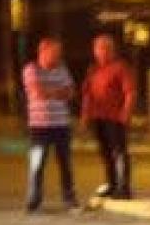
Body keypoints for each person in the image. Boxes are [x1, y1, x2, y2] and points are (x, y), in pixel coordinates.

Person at [22, 37, 79, 214]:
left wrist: (51, 91)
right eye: (54, 53)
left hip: (61, 125)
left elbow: (71, 93)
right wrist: (58, 92)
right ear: (43, 52)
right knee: (37, 164)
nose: (58, 56)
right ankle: (34, 201)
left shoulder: (62, 69)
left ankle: (69, 199)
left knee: (65, 164)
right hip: (39, 127)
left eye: (58, 53)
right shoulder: (31, 69)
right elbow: (38, 92)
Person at [81, 34, 137, 200]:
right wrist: (85, 115)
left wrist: (126, 113)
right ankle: (112, 184)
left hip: (115, 118)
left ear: (112, 50)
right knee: (105, 153)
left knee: (119, 152)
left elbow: (130, 92)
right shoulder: (93, 70)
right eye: (98, 48)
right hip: (98, 117)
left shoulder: (120, 67)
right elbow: (87, 94)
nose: (101, 52)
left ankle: (124, 187)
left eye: (105, 48)